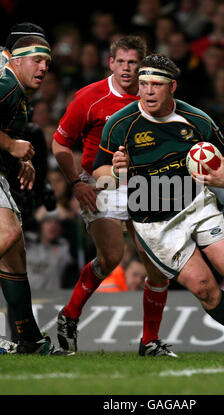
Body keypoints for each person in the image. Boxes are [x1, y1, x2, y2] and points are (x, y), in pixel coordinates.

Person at [93, 53, 224, 361]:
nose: (148, 91)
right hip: (155, 222)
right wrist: (116, 171)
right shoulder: (119, 124)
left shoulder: (197, 119)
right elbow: (99, 172)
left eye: (156, 85)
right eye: (143, 84)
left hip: (196, 205)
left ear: (172, 87)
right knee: (204, 287)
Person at [52, 36, 176, 357]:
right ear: (110, 63)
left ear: (142, 65)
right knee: (111, 257)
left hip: (144, 187)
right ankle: (69, 316)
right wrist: (77, 183)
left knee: (157, 265)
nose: (126, 69)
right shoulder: (89, 98)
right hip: (102, 185)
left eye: (133, 62)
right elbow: (60, 144)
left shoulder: (153, 96)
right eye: (121, 62)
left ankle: (149, 341)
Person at [0, 35, 55, 354]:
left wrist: (21, 156)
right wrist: (10, 146)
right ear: (16, 61)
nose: (44, 67)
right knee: (8, 235)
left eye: (47, 62)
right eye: (37, 60)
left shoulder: (17, 93)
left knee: (14, 252)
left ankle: (30, 339)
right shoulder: (6, 86)